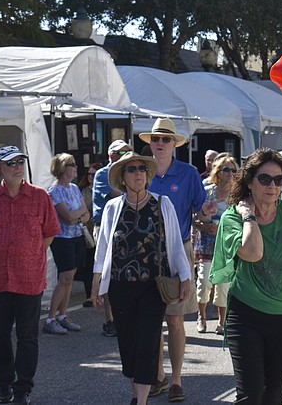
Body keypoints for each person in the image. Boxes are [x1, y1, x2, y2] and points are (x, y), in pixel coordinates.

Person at [211, 148, 282, 405]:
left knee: (273, 394)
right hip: (246, 315)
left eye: (278, 179)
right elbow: (253, 253)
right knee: (250, 395)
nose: (272, 186)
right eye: (264, 179)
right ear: (249, 181)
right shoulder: (233, 217)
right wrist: (249, 216)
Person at [92, 151, 191, 405]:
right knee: (128, 341)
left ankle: (142, 400)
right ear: (123, 178)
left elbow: (176, 244)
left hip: (153, 285)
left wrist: (185, 277)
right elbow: (103, 247)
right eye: (132, 170)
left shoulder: (162, 203)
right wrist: (96, 284)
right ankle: (136, 392)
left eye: (141, 169)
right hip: (120, 285)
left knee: (148, 340)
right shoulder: (113, 207)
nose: (138, 174)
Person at [0, 145, 60, 405]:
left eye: (20, 162)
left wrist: (31, 254)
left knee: (27, 336)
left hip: (29, 277)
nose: (17, 167)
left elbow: (50, 232)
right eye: (10, 163)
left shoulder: (40, 196)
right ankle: (4, 384)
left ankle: (22, 389)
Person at [142, 118, 205, 403]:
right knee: (152, 319)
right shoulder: (140, 169)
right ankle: (157, 376)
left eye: (166, 139)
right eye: (156, 138)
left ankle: (177, 379)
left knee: (175, 318)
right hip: (146, 254)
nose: (160, 143)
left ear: (174, 144)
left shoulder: (188, 173)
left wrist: (210, 208)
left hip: (179, 249)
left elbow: (201, 208)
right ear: (150, 142)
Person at [43, 153, 90, 335]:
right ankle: (50, 318)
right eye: (72, 165)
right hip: (62, 238)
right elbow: (68, 217)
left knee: (71, 277)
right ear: (62, 168)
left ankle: (63, 315)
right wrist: (78, 214)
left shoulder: (74, 188)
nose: (76, 168)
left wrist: (77, 214)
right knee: (65, 277)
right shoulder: (54, 191)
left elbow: (85, 214)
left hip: (77, 236)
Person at [92, 140, 132, 338]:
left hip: (125, 229)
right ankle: (109, 320)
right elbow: (117, 193)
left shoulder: (130, 174)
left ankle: (123, 316)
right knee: (107, 272)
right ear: (110, 155)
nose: (125, 154)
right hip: (106, 228)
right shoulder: (102, 174)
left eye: (128, 151)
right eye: (120, 152)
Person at [195, 153, 237, 335]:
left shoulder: (238, 193)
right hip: (207, 241)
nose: (230, 173)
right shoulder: (206, 190)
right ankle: (202, 317)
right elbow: (194, 216)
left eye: (233, 170)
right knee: (204, 282)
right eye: (226, 169)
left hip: (227, 244)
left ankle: (222, 321)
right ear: (217, 171)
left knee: (224, 285)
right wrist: (204, 226)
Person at [78, 162, 102, 308]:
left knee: (100, 265)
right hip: (87, 233)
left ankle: (101, 294)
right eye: (89, 175)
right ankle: (89, 296)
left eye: (94, 174)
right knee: (89, 266)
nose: (91, 177)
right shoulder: (84, 191)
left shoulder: (104, 189)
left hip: (99, 231)